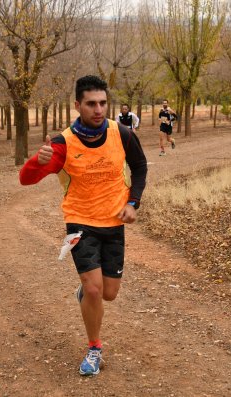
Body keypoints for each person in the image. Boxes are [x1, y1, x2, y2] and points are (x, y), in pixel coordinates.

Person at [19, 75, 148, 376]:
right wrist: (37, 161)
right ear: (77, 105)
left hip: (114, 221)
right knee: (94, 290)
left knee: (109, 293)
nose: (98, 109)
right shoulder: (63, 144)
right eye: (91, 104)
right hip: (80, 223)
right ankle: (94, 348)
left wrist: (133, 203)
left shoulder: (123, 134)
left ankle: (87, 291)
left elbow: (140, 167)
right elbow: (26, 179)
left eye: (103, 103)